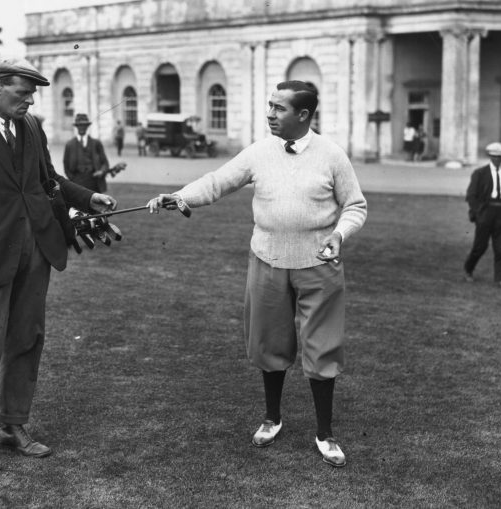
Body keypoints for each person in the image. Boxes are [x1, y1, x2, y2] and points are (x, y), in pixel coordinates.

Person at [147, 80, 367, 467]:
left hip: (319, 265)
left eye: (279, 109)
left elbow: (356, 206)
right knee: (269, 344)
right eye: (269, 106)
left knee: (323, 349)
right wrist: (181, 196)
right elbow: (219, 181)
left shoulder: (332, 155)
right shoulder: (260, 151)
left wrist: (338, 233)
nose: (270, 114)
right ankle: (272, 417)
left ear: (303, 115)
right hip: (266, 261)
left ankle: (325, 433)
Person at [0, 56, 117, 472]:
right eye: (23, 93)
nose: (30, 101)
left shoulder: (31, 128)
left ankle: (14, 424)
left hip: (36, 253)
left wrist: (87, 197)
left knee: (27, 341)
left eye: (33, 94)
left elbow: (48, 181)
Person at [463, 142, 501, 290]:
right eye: (495, 157)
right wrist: (479, 213)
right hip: (485, 213)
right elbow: (471, 196)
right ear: (490, 157)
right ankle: (468, 268)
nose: (498, 160)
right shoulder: (480, 173)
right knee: (480, 246)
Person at [63, 113, 124, 193]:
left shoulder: (96, 143)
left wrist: (101, 171)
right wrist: (72, 179)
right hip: (76, 182)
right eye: (79, 125)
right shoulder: (70, 145)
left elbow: (105, 163)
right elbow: (66, 165)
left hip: (93, 182)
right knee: (77, 205)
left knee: (94, 204)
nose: (82, 128)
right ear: (76, 127)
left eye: (84, 125)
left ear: (87, 127)